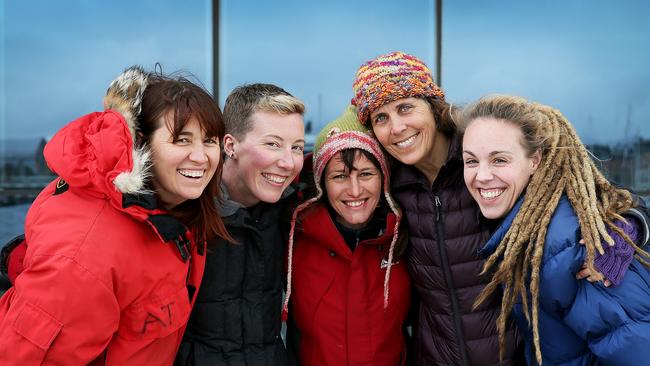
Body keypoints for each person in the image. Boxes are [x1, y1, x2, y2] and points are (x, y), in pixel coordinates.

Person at [351, 51, 650, 366]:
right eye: (380, 118)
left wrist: (626, 227)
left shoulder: (487, 163)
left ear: (433, 106)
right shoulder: (388, 184)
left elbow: (591, 194)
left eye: (405, 107)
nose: (396, 127)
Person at [0, 66, 230, 364]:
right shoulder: (85, 256)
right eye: (182, 140)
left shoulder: (174, 212)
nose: (201, 157)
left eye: (209, 141)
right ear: (140, 144)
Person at [461, 95, 650, 365]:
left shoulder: (570, 246)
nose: (481, 175)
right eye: (470, 161)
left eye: (499, 160)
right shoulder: (529, 226)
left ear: (535, 160)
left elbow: (637, 350)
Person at [176, 84, 306, 365]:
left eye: (296, 147)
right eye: (272, 144)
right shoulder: (183, 213)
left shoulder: (294, 213)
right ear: (230, 145)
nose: (288, 162)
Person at [283, 105, 411, 365]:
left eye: (366, 174)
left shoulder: (407, 236)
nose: (355, 190)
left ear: (384, 178)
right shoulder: (293, 238)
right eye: (340, 176)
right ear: (321, 183)